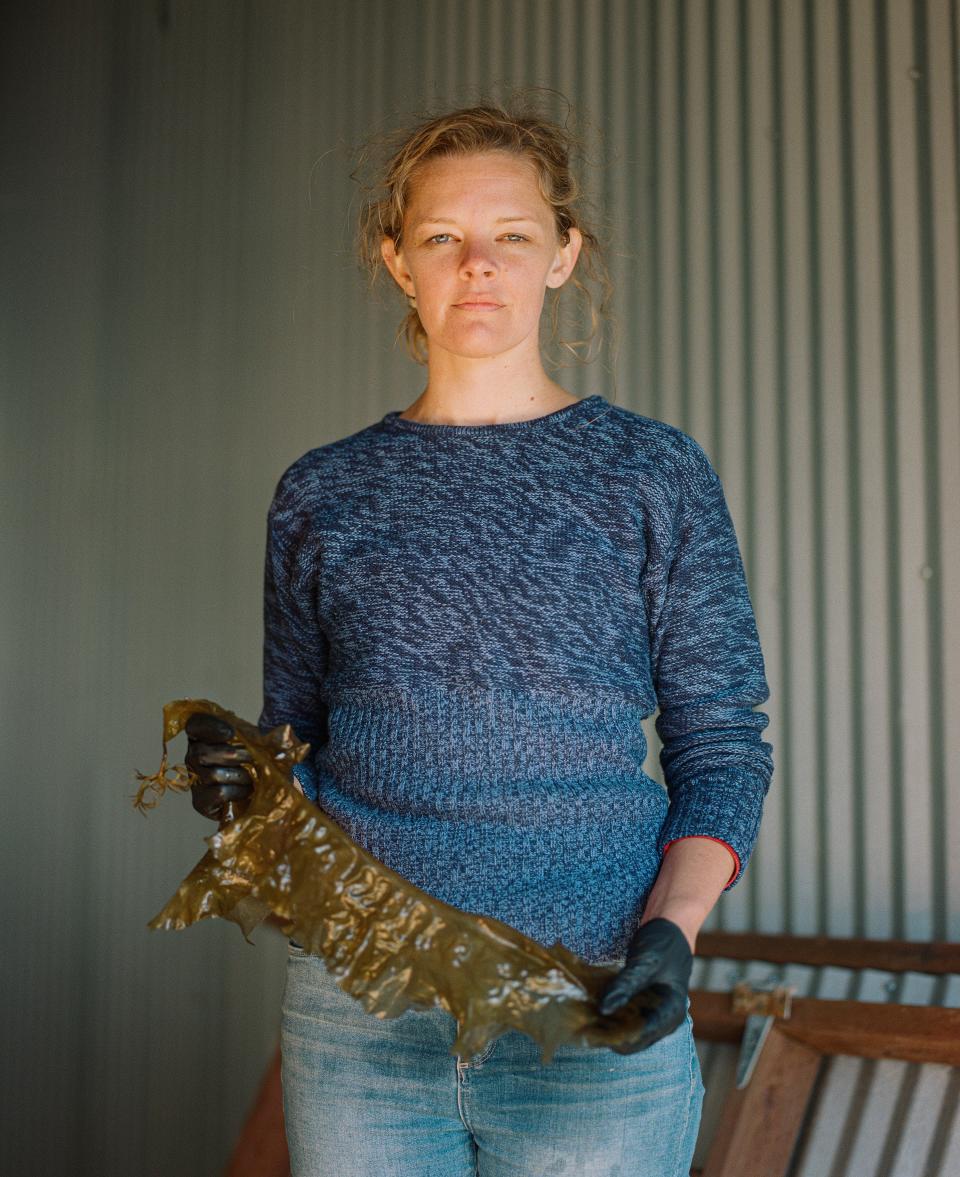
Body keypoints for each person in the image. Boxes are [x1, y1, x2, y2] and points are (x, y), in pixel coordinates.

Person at [186, 93, 773, 1177]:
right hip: (360, 1014)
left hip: (591, 997)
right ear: (396, 259)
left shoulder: (649, 473)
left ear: (564, 254)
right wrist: (242, 780)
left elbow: (723, 742)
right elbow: (297, 740)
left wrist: (672, 931)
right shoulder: (325, 491)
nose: (478, 266)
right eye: (441, 238)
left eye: (512, 236)